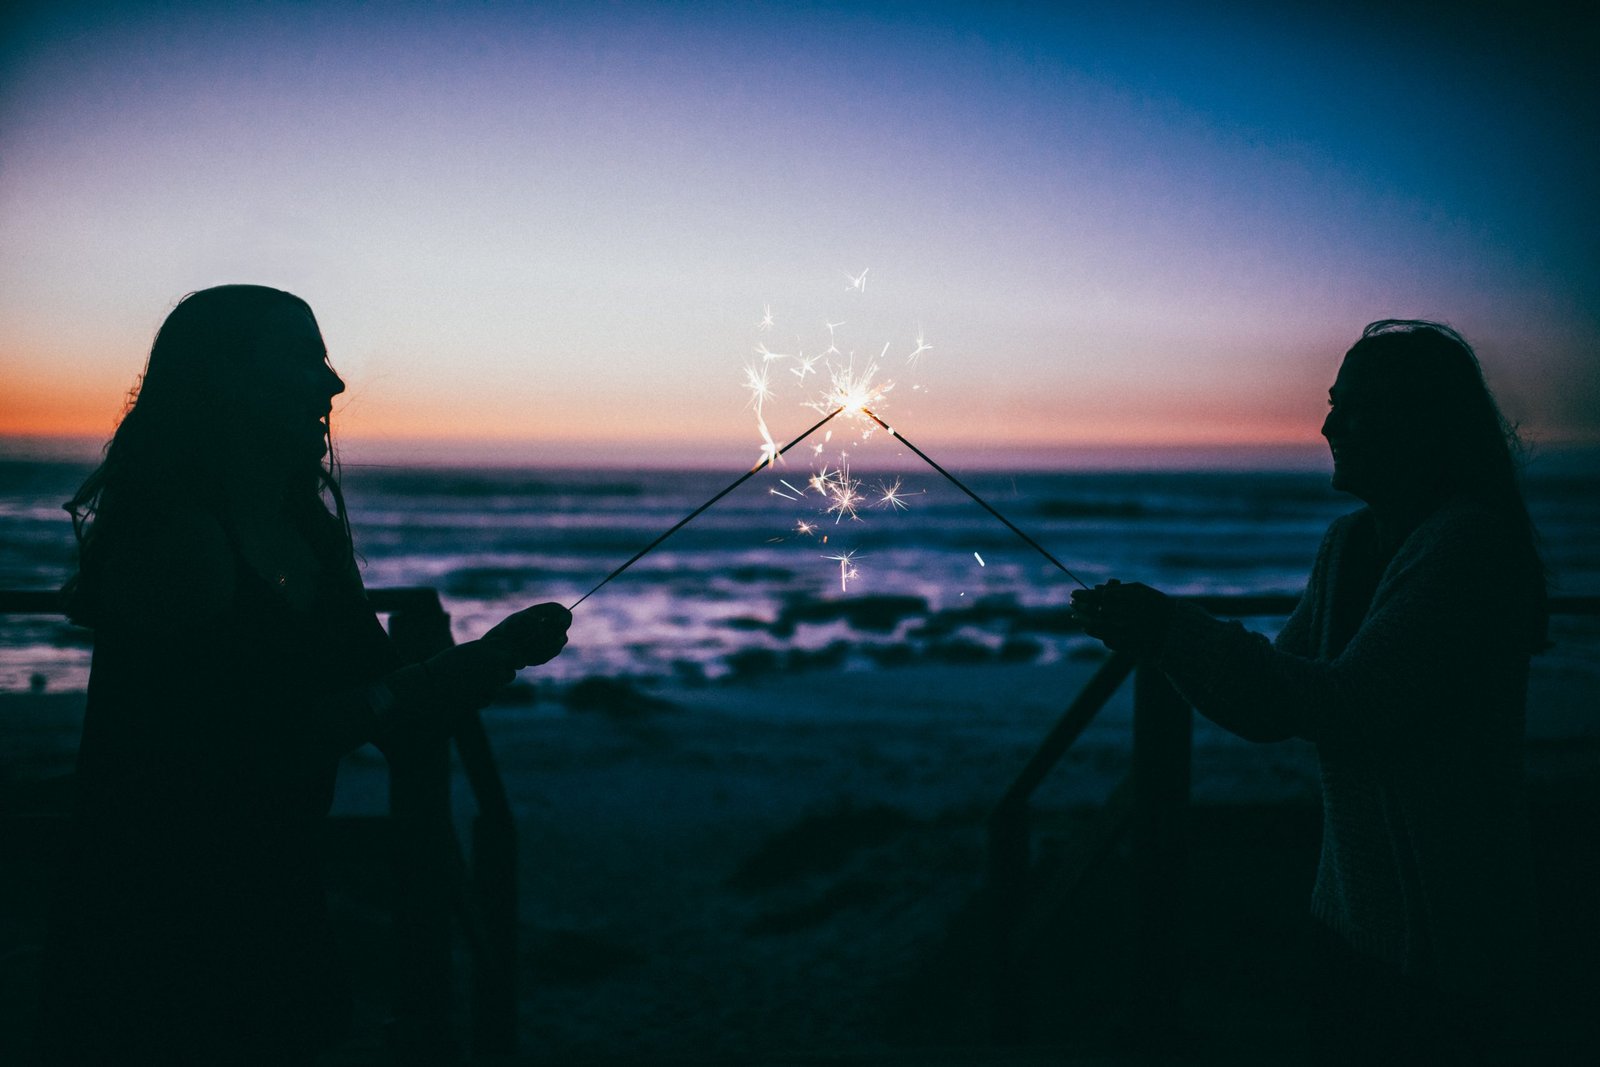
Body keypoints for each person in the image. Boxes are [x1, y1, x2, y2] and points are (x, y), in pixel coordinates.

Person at [39, 285, 572, 1064]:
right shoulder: (175, 539)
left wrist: (491, 655)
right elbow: (243, 740)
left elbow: (376, 681)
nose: (333, 383)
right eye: (303, 358)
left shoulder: (303, 527)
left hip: (279, 879)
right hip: (160, 900)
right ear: (223, 380)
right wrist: (428, 684)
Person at [1071, 320, 1545, 1063]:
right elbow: (1274, 703)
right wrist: (1158, 639)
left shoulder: (1467, 546)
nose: (1328, 424)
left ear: (1421, 421)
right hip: (1347, 916)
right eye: (1332, 402)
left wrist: (1173, 629)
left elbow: (1350, 705)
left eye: (1356, 407)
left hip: (1455, 939)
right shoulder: (1348, 544)